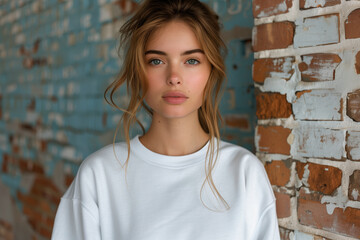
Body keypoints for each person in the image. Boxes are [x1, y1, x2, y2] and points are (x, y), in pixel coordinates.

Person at [51, 0, 280, 239]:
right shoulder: (99, 174)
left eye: (191, 60)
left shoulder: (244, 172)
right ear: (139, 71)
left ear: (211, 71)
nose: (174, 77)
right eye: (156, 61)